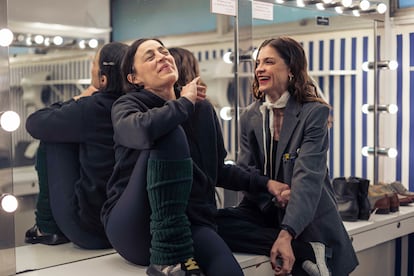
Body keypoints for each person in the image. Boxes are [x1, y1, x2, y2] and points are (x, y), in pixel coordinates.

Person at [101, 40, 291, 276]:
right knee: (169, 132)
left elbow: (217, 170)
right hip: (134, 226)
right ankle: (166, 258)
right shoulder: (127, 105)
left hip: (189, 223)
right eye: (150, 57)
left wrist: (265, 184)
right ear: (134, 78)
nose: (162, 57)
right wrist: (184, 103)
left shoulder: (202, 110)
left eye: (164, 52)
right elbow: (141, 131)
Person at [216, 36, 358, 276]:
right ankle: (306, 251)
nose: (260, 68)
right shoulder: (250, 116)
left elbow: (308, 176)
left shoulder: (315, 113)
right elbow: (246, 173)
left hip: (306, 213)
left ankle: (303, 245)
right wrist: (272, 193)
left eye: (269, 62)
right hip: (263, 210)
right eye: (258, 63)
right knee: (206, 223)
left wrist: (287, 233)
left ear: (291, 68)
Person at [24, 41, 128, 249]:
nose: (91, 63)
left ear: (103, 78)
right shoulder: (139, 105)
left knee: (52, 135)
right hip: (127, 229)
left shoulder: (92, 108)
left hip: (90, 232)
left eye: (95, 62)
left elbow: (34, 123)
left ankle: (47, 227)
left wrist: (80, 97)